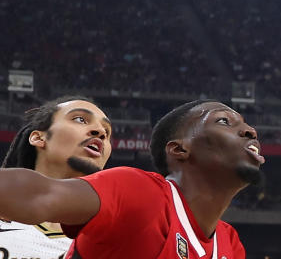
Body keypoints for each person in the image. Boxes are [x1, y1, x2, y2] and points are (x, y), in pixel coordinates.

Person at [0, 99, 261, 259]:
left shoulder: (230, 244)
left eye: (108, 131)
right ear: (180, 149)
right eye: (225, 121)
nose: (250, 131)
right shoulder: (139, 192)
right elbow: (39, 195)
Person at [0, 97, 113, 258]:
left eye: (107, 132)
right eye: (80, 119)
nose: (100, 132)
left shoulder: (115, 239)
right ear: (39, 138)